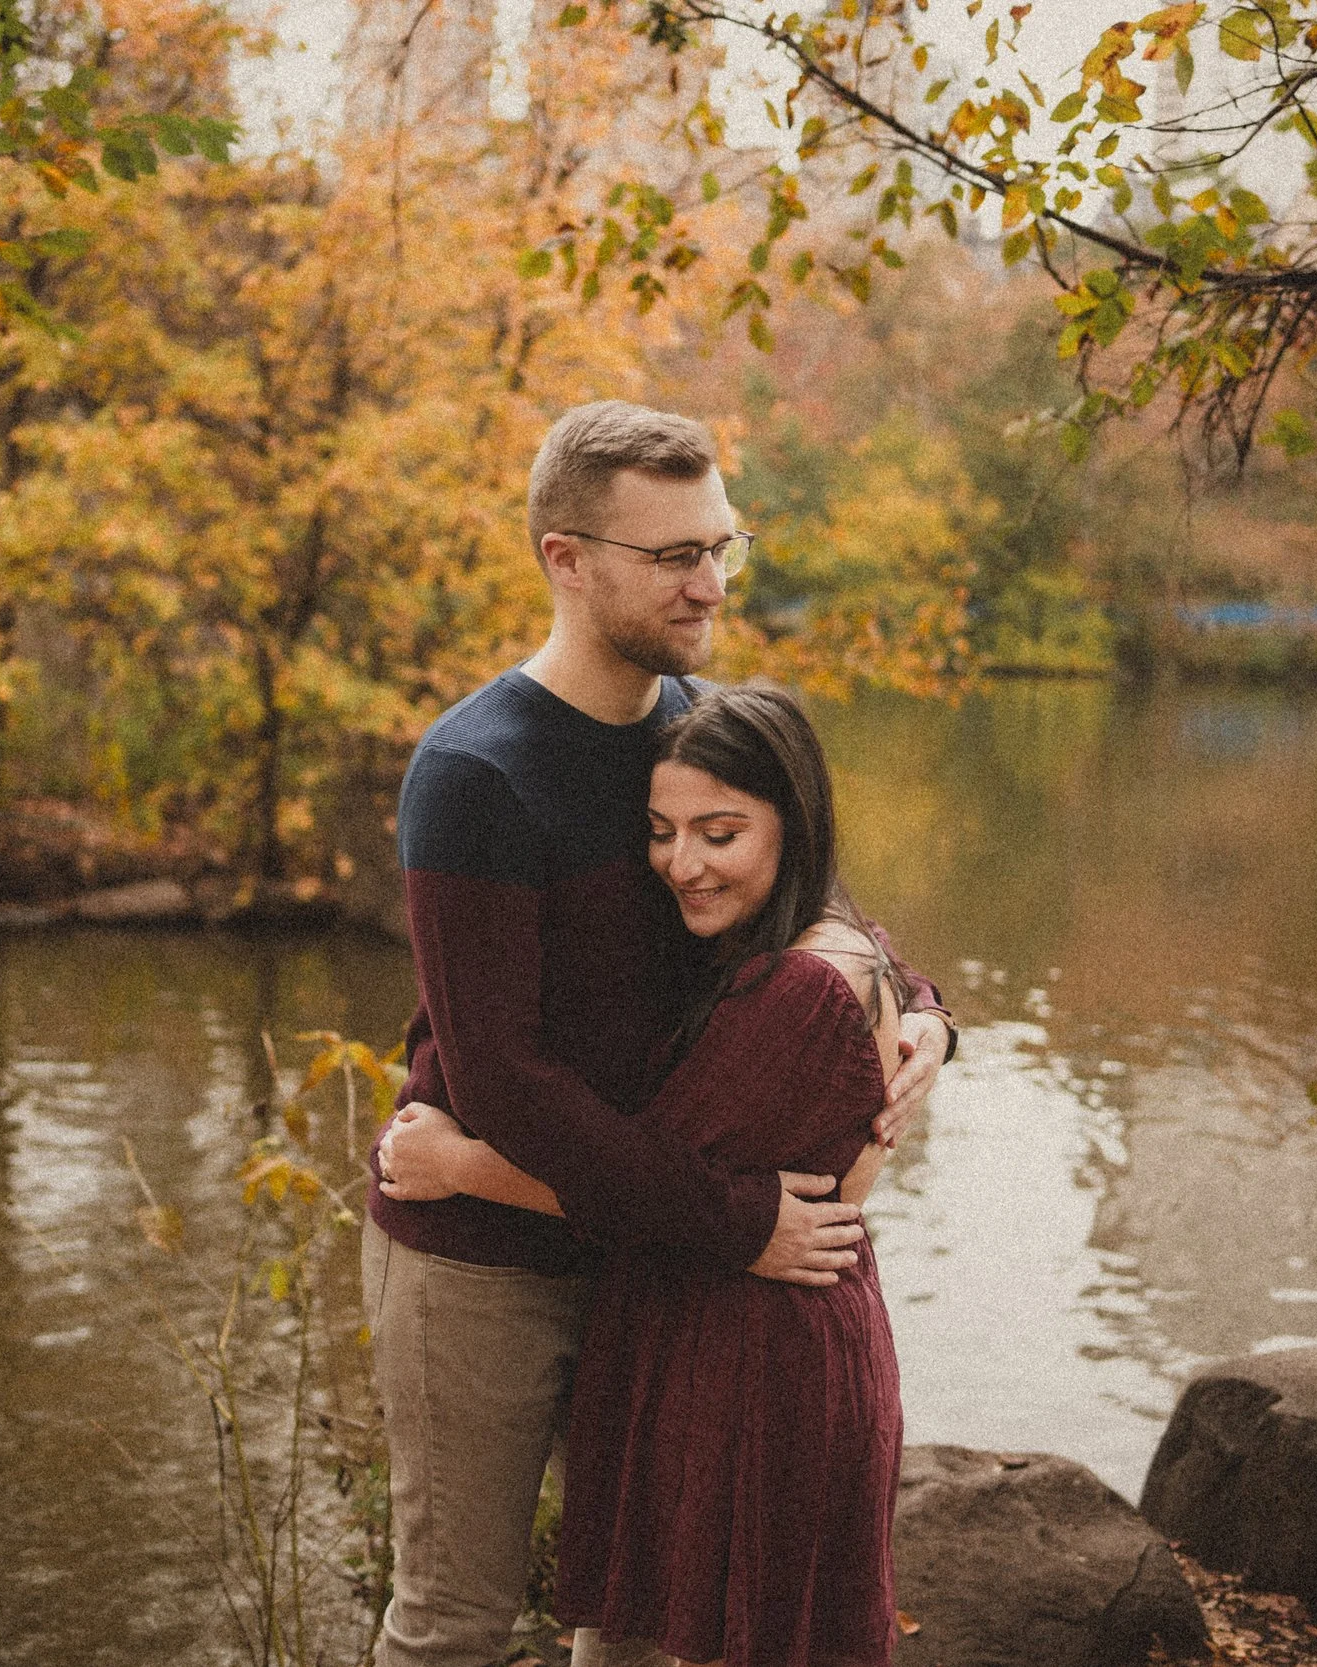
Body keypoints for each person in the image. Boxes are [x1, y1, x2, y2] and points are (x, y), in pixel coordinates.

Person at [361, 400, 953, 1667]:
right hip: (488, 1256)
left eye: (719, 545)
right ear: (565, 558)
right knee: (452, 1626)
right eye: (672, 553)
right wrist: (738, 1223)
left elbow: (813, 905)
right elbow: (501, 1080)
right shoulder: (477, 773)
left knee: (632, 1612)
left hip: (656, 1264)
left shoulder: (694, 722)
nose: (707, 581)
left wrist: (926, 1018)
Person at [380, 682, 909, 1667]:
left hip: (764, 1352)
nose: (682, 863)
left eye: (719, 832)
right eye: (662, 832)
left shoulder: (793, 988)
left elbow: (641, 1182)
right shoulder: (812, 954)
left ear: (794, 827)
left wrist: (451, 1160)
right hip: (742, 1322)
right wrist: (925, 1015)